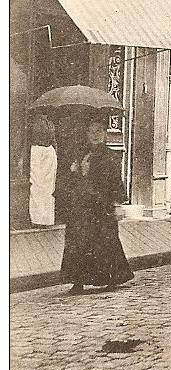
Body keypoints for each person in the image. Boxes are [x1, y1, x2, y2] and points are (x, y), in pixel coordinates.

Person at [60, 114, 134, 295]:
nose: (95, 135)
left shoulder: (110, 156)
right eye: (91, 132)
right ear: (86, 134)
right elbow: (71, 181)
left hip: (101, 207)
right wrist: (75, 171)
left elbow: (115, 182)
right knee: (78, 243)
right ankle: (78, 282)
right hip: (81, 207)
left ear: (105, 134)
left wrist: (117, 204)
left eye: (99, 131)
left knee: (105, 243)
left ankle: (112, 278)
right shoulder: (80, 153)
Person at [29, 113, 57, 227]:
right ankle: (36, 218)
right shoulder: (32, 122)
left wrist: (55, 151)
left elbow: (54, 139)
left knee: (49, 186)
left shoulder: (50, 123)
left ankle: (46, 219)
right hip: (36, 151)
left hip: (48, 151)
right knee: (36, 184)